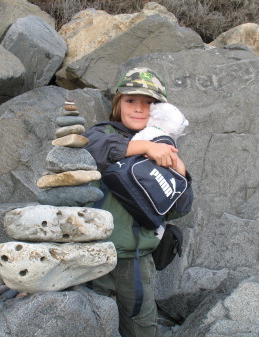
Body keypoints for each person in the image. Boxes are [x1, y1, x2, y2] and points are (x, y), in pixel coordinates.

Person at [83, 67, 194, 337]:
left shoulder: (165, 145)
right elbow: (92, 149)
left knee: (142, 325)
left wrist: (180, 172)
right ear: (118, 103)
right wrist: (144, 148)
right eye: (130, 100)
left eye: (148, 103)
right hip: (93, 254)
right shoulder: (102, 132)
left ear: (159, 111)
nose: (138, 109)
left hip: (136, 258)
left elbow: (180, 208)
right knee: (91, 320)